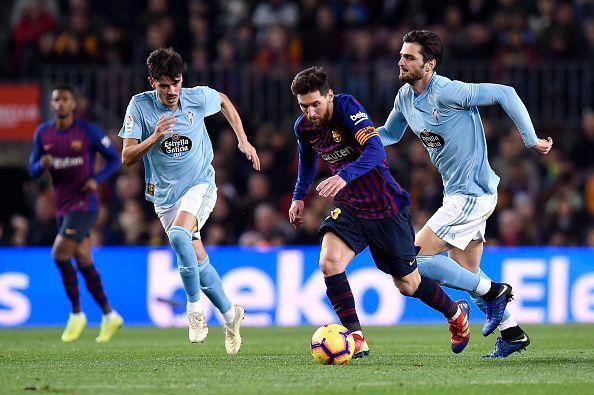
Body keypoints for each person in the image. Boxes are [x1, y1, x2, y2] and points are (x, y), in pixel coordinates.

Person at [378, 30, 554, 358]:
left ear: (429, 65)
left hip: (472, 193)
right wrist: (354, 140)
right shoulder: (404, 97)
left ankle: (495, 292)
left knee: (413, 259)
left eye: (410, 57)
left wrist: (530, 140)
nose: (401, 61)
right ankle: (513, 333)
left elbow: (506, 93)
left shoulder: (447, 91)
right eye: (401, 55)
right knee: (466, 275)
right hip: (456, 194)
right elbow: (389, 133)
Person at [288, 66, 471, 358]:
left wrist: (344, 175)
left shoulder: (347, 108)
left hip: (385, 206)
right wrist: (299, 196)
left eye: (315, 104)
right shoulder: (304, 127)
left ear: (329, 96)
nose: (310, 112)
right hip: (350, 207)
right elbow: (307, 161)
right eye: (303, 106)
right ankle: (356, 337)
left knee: (408, 284)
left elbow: (376, 151)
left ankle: (456, 314)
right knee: (329, 261)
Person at [118, 47, 260, 355]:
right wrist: (154, 137)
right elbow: (127, 157)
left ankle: (195, 310)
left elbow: (223, 101)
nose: (172, 91)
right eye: (164, 85)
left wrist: (242, 139)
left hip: (200, 184)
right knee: (195, 256)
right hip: (165, 196)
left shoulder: (196, 98)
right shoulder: (139, 107)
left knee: (182, 235)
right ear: (152, 82)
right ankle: (230, 314)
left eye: (176, 83)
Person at [29, 85, 123, 343]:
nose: (60, 103)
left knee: (59, 254)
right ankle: (109, 315)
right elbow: (32, 170)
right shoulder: (43, 133)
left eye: (65, 99)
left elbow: (115, 159)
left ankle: (77, 314)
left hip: (85, 204)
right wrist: (41, 165)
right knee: (83, 260)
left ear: (73, 104)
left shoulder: (87, 131)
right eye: (56, 99)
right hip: (62, 206)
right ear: (52, 105)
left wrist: (97, 180)